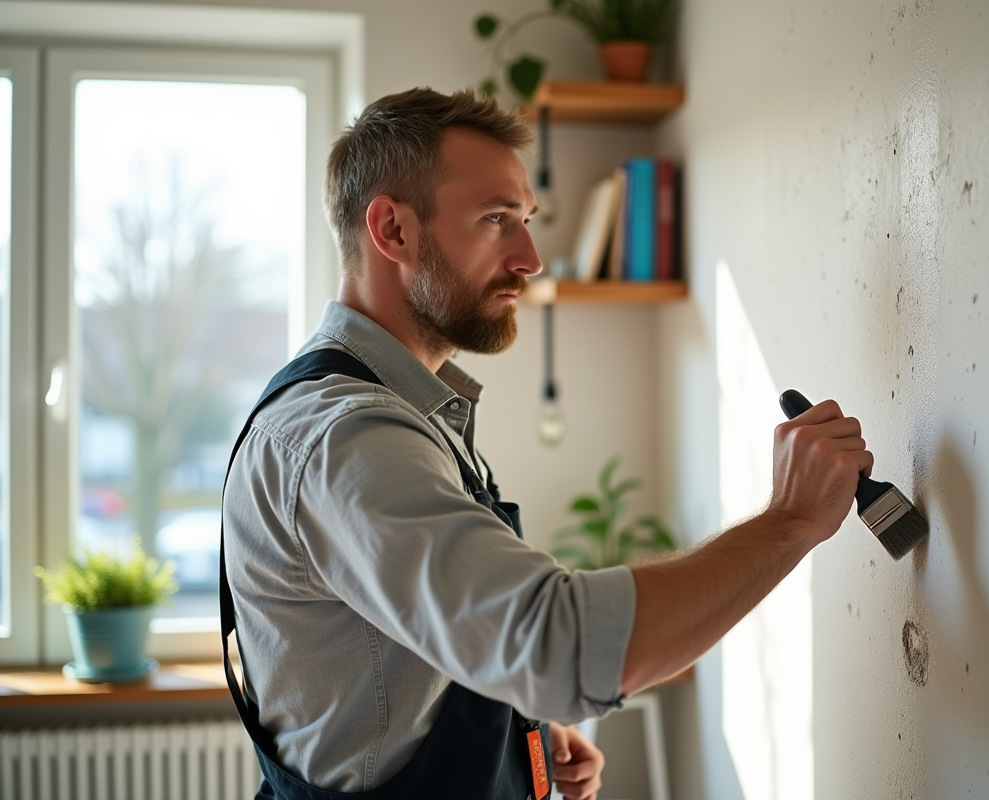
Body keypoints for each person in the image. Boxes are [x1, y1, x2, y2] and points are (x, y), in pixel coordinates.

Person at [221, 87, 873, 800]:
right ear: (393, 230)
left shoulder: (407, 410)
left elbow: (415, 645)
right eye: (495, 219)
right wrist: (790, 521)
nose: (531, 258)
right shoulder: (347, 437)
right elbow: (559, 647)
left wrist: (515, 727)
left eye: (525, 220)